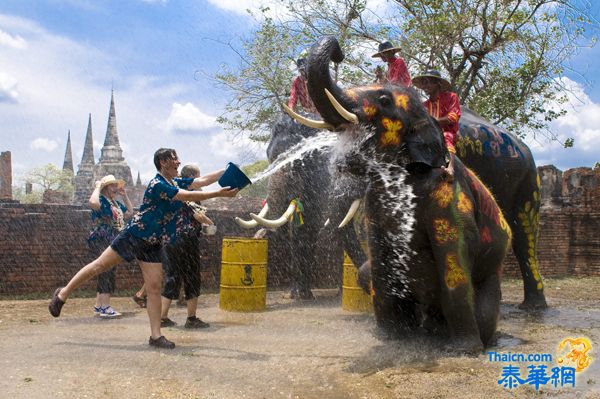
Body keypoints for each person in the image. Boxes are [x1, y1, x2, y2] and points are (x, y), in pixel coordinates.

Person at [49, 148, 239, 349]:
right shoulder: (158, 184)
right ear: (163, 162)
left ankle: (155, 336)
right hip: (135, 235)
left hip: (153, 241)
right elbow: (183, 196)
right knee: (100, 266)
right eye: (175, 159)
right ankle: (62, 294)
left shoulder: (173, 181)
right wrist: (220, 193)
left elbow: (200, 181)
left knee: (154, 287)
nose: (179, 162)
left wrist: (225, 171)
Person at [160, 164, 213, 329]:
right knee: (192, 277)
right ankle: (191, 318)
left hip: (170, 240)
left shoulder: (172, 189)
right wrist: (209, 222)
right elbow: (198, 216)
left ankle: (162, 317)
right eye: (198, 176)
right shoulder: (190, 194)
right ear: (192, 179)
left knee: (172, 277)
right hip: (187, 240)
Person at [87, 175, 133, 318]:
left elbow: (129, 213)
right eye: (113, 186)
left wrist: (125, 196)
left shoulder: (115, 203)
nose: (116, 188)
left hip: (114, 236)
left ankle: (99, 305)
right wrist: (97, 187)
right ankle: (105, 306)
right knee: (106, 270)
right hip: (103, 237)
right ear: (106, 188)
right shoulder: (101, 200)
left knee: (106, 270)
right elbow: (93, 203)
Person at [412, 69, 461, 178]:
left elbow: (453, 116)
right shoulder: (424, 105)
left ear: (437, 84)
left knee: (446, 136)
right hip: (428, 135)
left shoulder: (451, 97)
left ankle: (450, 168)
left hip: (447, 132)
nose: (424, 85)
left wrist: (432, 122)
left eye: (427, 82)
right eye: (423, 83)